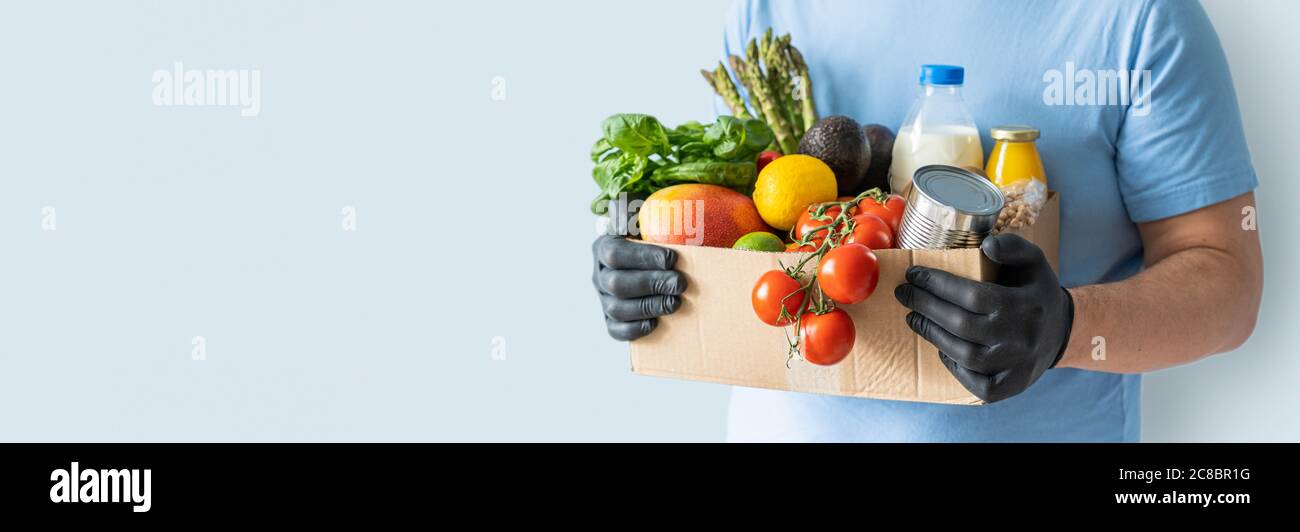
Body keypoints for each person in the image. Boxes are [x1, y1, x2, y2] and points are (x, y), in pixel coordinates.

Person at [592, 0, 1263, 442]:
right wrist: (656, 256)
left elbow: (1227, 285)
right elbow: (747, 217)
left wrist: (1067, 326)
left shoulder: (1137, 17)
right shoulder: (773, 10)